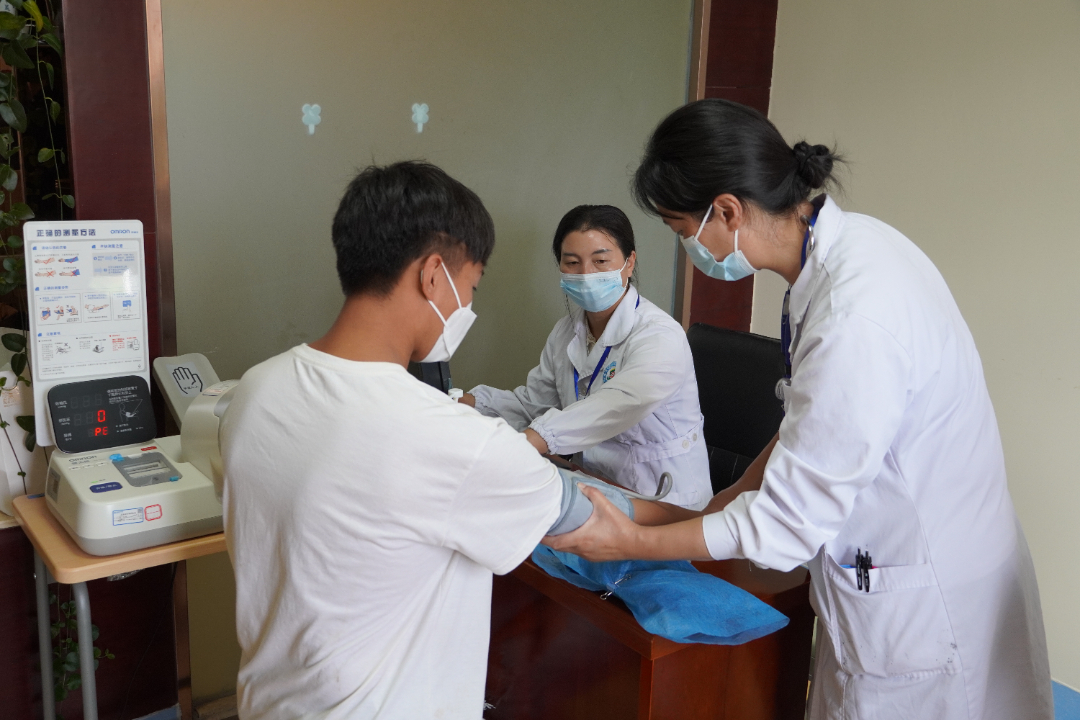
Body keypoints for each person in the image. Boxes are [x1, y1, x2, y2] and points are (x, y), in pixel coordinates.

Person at [545, 99, 1053, 720]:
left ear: (726, 211)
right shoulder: (840, 255)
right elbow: (804, 428)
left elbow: (783, 528)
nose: (687, 248)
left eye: (682, 231)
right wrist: (714, 505)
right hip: (892, 563)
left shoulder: (853, 315)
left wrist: (632, 540)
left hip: (922, 597)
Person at [220, 161, 565, 719]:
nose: (468, 307)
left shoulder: (253, 391)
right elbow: (581, 519)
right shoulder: (449, 438)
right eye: (471, 288)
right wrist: (704, 520)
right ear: (433, 276)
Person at [461, 204, 712, 509]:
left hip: (663, 499)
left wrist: (531, 441)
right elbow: (535, 404)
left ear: (629, 263)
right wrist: (471, 403)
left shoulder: (659, 335)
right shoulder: (566, 331)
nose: (585, 274)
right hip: (596, 489)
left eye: (600, 261)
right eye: (572, 262)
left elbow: (617, 404)